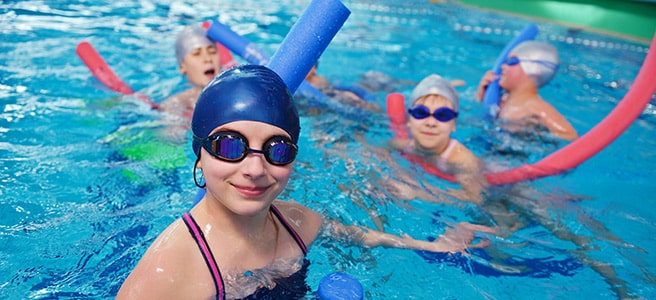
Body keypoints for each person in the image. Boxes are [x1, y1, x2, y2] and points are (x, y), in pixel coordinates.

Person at [116, 65, 495, 299]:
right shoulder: (175, 265)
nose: (254, 168)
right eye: (230, 146)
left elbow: (362, 236)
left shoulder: (294, 222)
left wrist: (432, 244)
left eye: (277, 150)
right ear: (200, 153)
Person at [389, 74, 486, 203]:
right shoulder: (407, 145)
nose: (431, 123)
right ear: (409, 120)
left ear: (454, 124)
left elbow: (475, 198)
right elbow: (383, 148)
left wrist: (419, 192)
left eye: (443, 115)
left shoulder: (463, 161)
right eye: (421, 113)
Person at [476, 40, 579, 141]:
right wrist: (482, 96)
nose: (503, 66)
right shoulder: (501, 99)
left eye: (512, 62)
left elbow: (571, 135)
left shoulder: (536, 107)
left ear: (534, 70)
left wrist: (535, 134)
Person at [159, 25, 222, 119]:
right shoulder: (174, 106)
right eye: (196, 54)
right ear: (182, 67)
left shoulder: (237, 91)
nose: (208, 59)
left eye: (212, 52)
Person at [304, 62, 382, 112]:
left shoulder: (316, 80)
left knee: (348, 97)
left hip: (333, 94)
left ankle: (374, 109)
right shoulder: (307, 82)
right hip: (330, 95)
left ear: (314, 69)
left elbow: (328, 91)